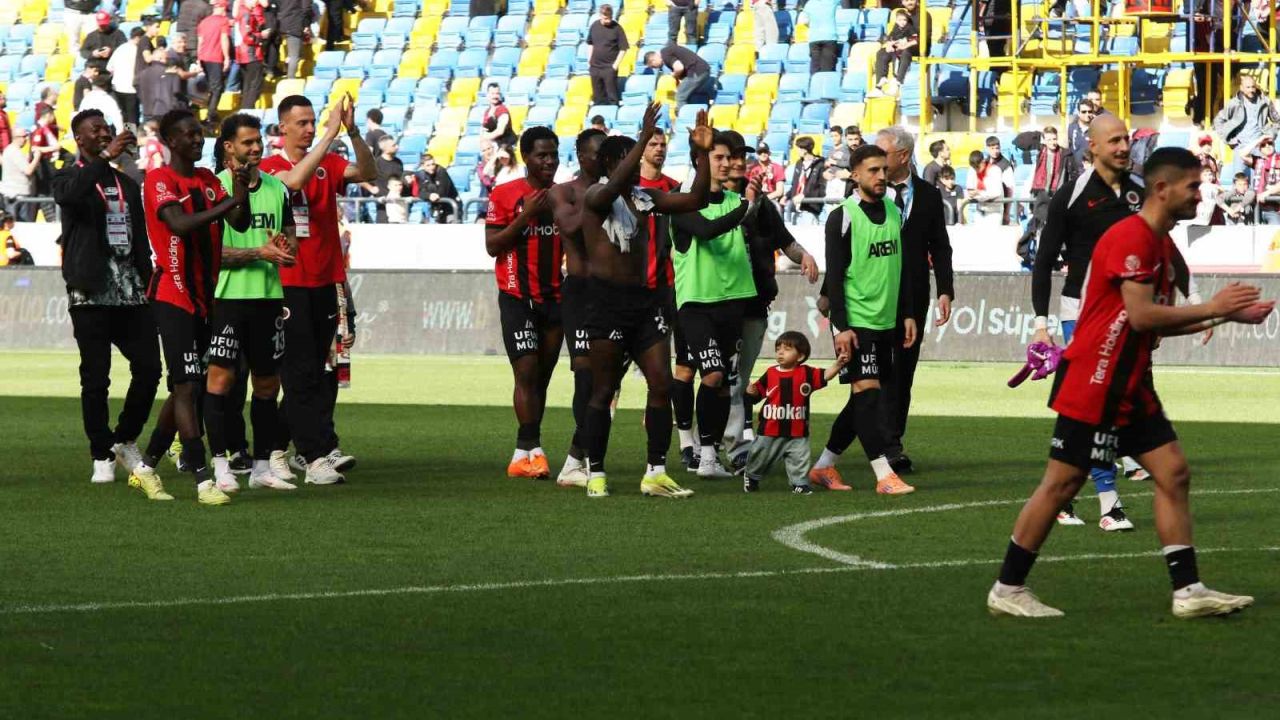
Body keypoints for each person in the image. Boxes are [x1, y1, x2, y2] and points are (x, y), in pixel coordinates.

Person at [986, 147, 1275, 620]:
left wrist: (1227, 316)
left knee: (1173, 472)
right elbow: (1141, 316)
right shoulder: (1132, 238)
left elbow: (1150, 324)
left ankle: (1188, 591)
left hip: (1129, 383)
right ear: (1163, 189)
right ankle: (1008, 587)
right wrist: (1212, 309)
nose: (1200, 195)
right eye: (1193, 187)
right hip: (1097, 380)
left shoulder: (1159, 243)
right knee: (1062, 484)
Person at [577, 103, 713, 498]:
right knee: (603, 391)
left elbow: (697, 199)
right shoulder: (595, 197)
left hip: (646, 304)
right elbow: (615, 183)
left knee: (662, 385)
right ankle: (596, 472)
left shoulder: (645, 198)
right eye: (625, 159)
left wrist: (701, 152)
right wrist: (640, 139)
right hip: (605, 305)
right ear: (608, 164)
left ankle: (655, 471)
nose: (633, 164)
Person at [1032, 113, 1157, 529]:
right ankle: (1109, 503)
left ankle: (1065, 495)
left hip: (1132, 315)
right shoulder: (1071, 194)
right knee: (1097, 406)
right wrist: (1040, 321)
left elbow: (1156, 253)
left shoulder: (1141, 192)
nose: (1124, 147)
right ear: (1094, 149)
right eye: (1115, 141)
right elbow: (1044, 260)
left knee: (1117, 406)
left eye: (1127, 139)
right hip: (1082, 314)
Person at [259, 95, 376, 485]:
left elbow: (368, 172)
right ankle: (314, 455)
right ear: (283, 129)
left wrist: (353, 132)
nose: (310, 129)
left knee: (319, 372)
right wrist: (329, 134)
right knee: (298, 373)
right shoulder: (268, 169)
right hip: (287, 285)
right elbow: (294, 183)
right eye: (303, 123)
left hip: (326, 281)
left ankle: (278, 449)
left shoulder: (329, 164)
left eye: (313, 122)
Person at [140, 109, 253, 505]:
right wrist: (230, 202)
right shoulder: (159, 179)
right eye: (188, 135)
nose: (196, 139)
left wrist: (243, 190)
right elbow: (179, 225)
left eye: (199, 133)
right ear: (171, 141)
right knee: (188, 385)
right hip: (171, 295)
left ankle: (145, 466)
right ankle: (203, 479)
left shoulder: (207, 180)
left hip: (206, 296)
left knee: (186, 385)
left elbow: (239, 222)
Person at [52, 110, 161, 486]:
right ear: (79, 139)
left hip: (131, 291)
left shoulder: (128, 184)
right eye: (95, 131)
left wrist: (151, 284)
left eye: (107, 129)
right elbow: (70, 196)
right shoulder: (69, 174)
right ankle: (101, 452)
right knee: (96, 377)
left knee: (149, 368)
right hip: (91, 292)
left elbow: (141, 238)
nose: (104, 134)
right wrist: (103, 159)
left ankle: (125, 438)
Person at [810, 144, 917, 495]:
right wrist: (840, 328)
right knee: (868, 396)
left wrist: (907, 314)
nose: (881, 176)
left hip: (887, 321)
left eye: (884, 169)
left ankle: (824, 466)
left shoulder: (893, 209)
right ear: (855, 175)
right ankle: (884, 475)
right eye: (873, 170)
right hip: (856, 324)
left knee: (862, 400)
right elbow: (836, 278)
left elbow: (900, 269)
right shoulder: (842, 216)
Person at [204, 113, 301, 493]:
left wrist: (285, 249)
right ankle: (222, 465)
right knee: (221, 382)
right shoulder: (215, 189)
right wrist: (259, 252)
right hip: (227, 298)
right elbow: (210, 253)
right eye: (247, 142)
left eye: (258, 141)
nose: (256, 147)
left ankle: (262, 467)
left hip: (268, 298)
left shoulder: (278, 189)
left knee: (266, 385)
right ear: (228, 147)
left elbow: (290, 240)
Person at [721, 137, 820, 468]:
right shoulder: (716, 202)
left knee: (738, 377)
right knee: (725, 378)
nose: (740, 164)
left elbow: (785, 241)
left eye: (742, 159)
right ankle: (720, 446)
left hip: (755, 303)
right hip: (721, 303)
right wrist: (748, 201)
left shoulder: (764, 207)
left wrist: (804, 255)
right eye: (733, 158)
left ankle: (721, 443)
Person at [669, 130, 759, 479]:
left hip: (730, 304)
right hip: (695, 304)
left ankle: (708, 456)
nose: (726, 164)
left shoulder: (736, 200)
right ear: (700, 161)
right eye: (717, 158)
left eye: (728, 158)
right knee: (713, 374)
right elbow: (705, 231)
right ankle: (692, 446)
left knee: (724, 383)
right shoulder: (682, 202)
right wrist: (745, 209)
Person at [484, 126, 566, 480]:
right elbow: (492, 245)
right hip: (517, 296)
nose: (549, 161)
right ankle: (532, 448)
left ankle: (524, 453)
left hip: (555, 297)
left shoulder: (566, 196)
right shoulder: (504, 194)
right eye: (541, 155)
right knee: (527, 371)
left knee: (541, 379)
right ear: (526, 158)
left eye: (553, 154)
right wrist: (525, 215)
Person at [873, 126, 954, 476]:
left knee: (903, 370)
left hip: (914, 296)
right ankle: (873, 440)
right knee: (872, 370)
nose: (876, 162)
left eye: (883, 154)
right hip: (873, 294)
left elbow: (941, 247)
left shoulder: (929, 196)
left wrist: (946, 290)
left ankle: (892, 443)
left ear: (903, 156)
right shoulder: (867, 195)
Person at [546, 128, 607, 488]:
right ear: (582, 156)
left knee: (606, 379)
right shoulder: (564, 192)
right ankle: (574, 460)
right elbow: (570, 224)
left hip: (612, 291)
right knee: (586, 377)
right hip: (581, 292)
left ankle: (585, 458)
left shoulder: (612, 192)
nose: (602, 161)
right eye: (597, 154)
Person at [742, 332, 847, 494]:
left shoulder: (807, 373)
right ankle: (752, 475)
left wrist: (838, 365)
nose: (780, 352)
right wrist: (752, 391)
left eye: (787, 349)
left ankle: (799, 483)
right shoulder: (770, 373)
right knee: (761, 456)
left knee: (800, 458)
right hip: (770, 429)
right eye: (778, 349)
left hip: (797, 430)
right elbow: (757, 393)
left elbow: (825, 376)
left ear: (800, 356)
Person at [1212, 74, 1280, 180]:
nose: (1251, 90)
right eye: (1248, 87)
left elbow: (1277, 120)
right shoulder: (1234, 104)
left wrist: (1271, 134)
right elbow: (1218, 121)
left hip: (1260, 149)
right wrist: (1230, 140)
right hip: (1241, 148)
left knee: (1260, 182)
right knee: (1239, 182)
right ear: (1241, 88)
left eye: (1253, 87)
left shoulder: (1265, 102)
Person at [870, 1, 920, 97]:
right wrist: (889, 44)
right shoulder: (896, 27)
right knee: (881, 53)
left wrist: (904, 45)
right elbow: (890, 38)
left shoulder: (910, 28)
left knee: (898, 55)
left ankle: (896, 81)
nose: (902, 22)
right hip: (895, 48)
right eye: (900, 20)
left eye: (904, 20)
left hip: (903, 49)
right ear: (896, 20)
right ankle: (881, 80)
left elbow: (915, 40)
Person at [645, 46, 713, 113]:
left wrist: (674, 74)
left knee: (680, 96)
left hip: (697, 72)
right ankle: (694, 114)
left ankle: (684, 118)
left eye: (653, 66)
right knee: (687, 94)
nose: (655, 68)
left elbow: (679, 68)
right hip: (701, 70)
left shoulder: (665, 54)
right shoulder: (666, 52)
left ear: (653, 60)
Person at [197, 2, 232, 126]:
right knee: (217, 86)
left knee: (212, 85)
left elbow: (200, 41)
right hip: (216, 57)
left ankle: (210, 113)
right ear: (222, 8)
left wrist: (198, 57)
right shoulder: (223, 21)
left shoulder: (204, 21)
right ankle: (211, 115)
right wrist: (227, 57)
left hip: (204, 57)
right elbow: (224, 39)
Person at [587, 5, 628, 105]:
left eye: (610, 17)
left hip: (609, 68)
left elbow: (623, 48)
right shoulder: (594, 26)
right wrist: (589, 60)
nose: (608, 20)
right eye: (606, 18)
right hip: (595, 67)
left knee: (612, 97)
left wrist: (615, 66)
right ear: (600, 15)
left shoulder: (617, 28)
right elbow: (590, 43)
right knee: (598, 97)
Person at [108, 27, 145, 126]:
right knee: (132, 117)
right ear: (138, 38)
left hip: (117, 87)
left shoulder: (120, 48)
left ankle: (125, 136)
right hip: (131, 89)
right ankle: (131, 138)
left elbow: (109, 67)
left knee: (124, 115)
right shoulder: (138, 51)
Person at [235, 1, 267, 111]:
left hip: (242, 54)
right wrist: (261, 35)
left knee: (247, 85)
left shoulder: (240, 12)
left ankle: (245, 110)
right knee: (254, 85)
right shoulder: (246, 13)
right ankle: (247, 111)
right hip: (251, 54)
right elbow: (247, 37)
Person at [1, 128, 39, 222]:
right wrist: (37, 157)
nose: (26, 139)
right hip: (18, 195)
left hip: (12, 194)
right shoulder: (15, 152)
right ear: (16, 138)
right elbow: (28, 170)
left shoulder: (9, 150)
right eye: (24, 136)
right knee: (20, 226)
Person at [964, 149, 1008, 227]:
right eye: (975, 168)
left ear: (983, 161)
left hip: (994, 211)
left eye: (978, 167)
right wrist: (972, 194)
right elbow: (969, 189)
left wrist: (978, 192)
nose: (977, 170)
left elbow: (996, 192)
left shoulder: (995, 170)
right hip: (979, 210)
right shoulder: (972, 170)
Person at [411, 153, 459, 224]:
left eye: (433, 164)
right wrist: (429, 195)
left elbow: (443, 192)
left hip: (450, 206)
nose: (432, 167)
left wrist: (435, 195)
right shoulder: (421, 175)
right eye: (428, 165)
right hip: (436, 207)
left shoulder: (441, 171)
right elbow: (420, 192)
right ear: (423, 166)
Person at [789, 136, 826, 225]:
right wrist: (786, 196)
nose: (796, 151)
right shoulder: (799, 163)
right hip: (796, 209)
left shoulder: (820, 164)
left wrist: (805, 196)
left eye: (798, 148)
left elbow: (821, 189)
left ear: (804, 150)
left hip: (810, 209)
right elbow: (795, 184)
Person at [372, 135, 404, 223]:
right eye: (393, 145)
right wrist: (371, 188)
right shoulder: (376, 163)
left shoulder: (398, 162)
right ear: (385, 148)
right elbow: (362, 178)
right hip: (383, 204)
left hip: (397, 203)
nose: (397, 147)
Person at [276, 0, 312, 78]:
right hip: (295, 23)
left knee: (291, 53)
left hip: (281, 23)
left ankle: (286, 70)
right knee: (294, 56)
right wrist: (306, 23)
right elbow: (306, 8)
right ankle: (291, 79)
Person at [802, 0, 840, 73]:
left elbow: (804, 21)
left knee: (815, 68)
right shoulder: (831, 2)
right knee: (828, 69)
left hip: (813, 38)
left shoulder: (809, 3)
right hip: (829, 37)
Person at [747, 143, 787, 207]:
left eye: (765, 152)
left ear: (769, 153)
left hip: (772, 201)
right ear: (757, 155)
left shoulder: (777, 168)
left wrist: (763, 200)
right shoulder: (753, 170)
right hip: (756, 201)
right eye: (760, 152)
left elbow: (780, 191)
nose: (763, 154)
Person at [1253, 135, 1280, 224]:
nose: (1267, 146)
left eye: (1270, 143)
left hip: (1275, 209)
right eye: (1263, 145)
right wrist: (1259, 140)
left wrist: (1267, 193)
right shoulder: (1258, 161)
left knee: (1275, 236)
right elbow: (1242, 154)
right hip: (1257, 208)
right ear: (1260, 149)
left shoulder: (1279, 159)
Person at [1067, 99, 1095, 172]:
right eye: (1084, 112)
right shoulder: (1071, 128)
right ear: (1078, 113)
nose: (1087, 114)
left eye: (1090, 111)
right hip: (1075, 172)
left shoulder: (1097, 129)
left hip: (1092, 171)